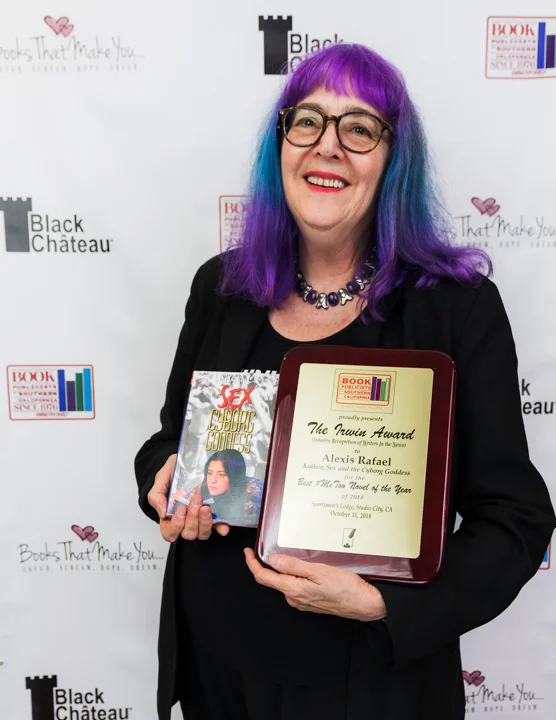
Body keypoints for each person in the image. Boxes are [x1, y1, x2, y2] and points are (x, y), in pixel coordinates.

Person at [134, 43, 556, 720]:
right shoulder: (222, 287)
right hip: (218, 677)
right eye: (307, 121)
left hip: (368, 688)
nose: (327, 145)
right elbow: (167, 442)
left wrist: (388, 603)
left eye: (359, 128)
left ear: (394, 160)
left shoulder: (455, 309)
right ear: (281, 146)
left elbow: (515, 519)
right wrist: (164, 479)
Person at [169, 449, 263, 526]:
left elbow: (245, 525)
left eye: (221, 475)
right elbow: (179, 507)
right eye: (210, 473)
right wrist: (175, 502)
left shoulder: (253, 489)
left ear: (234, 477)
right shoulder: (205, 485)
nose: (213, 480)